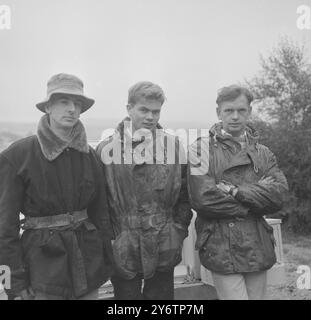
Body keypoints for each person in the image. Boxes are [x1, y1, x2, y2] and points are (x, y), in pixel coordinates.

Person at [0, 73, 113, 300]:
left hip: (88, 266)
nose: (72, 109)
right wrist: (13, 284)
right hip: (42, 271)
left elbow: (101, 216)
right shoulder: (17, 155)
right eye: (64, 102)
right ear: (48, 107)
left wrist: (106, 263)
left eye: (77, 104)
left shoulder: (90, 156)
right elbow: (4, 227)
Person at [188, 85, 288, 300]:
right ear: (218, 113)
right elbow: (203, 200)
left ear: (249, 111)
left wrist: (235, 191)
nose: (235, 116)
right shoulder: (200, 150)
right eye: (228, 111)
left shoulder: (263, 153)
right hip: (221, 244)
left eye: (241, 110)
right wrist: (257, 196)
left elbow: (278, 196)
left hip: (257, 244)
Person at [96, 81, 192, 300]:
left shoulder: (174, 147)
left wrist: (178, 229)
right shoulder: (106, 150)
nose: (150, 116)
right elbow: (100, 202)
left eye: (156, 111)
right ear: (129, 108)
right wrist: (111, 239)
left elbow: (185, 195)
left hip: (164, 239)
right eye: (144, 110)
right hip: (124, 244)